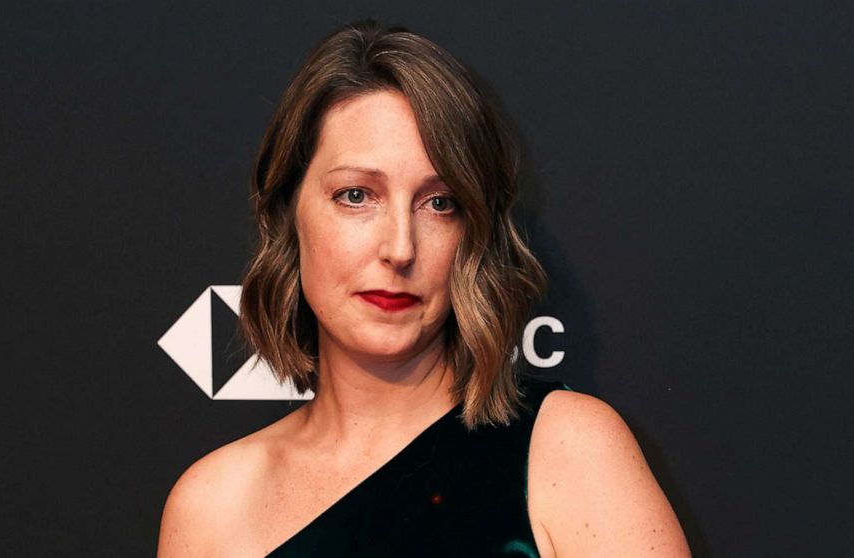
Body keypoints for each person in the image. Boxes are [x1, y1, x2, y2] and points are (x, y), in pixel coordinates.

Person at [157, 19, 690, 557]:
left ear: (473, 233)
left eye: (439, 203)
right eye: (356, 196)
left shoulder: (568, 451)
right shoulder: (214, 507)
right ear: (289, 213)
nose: (400, 248)